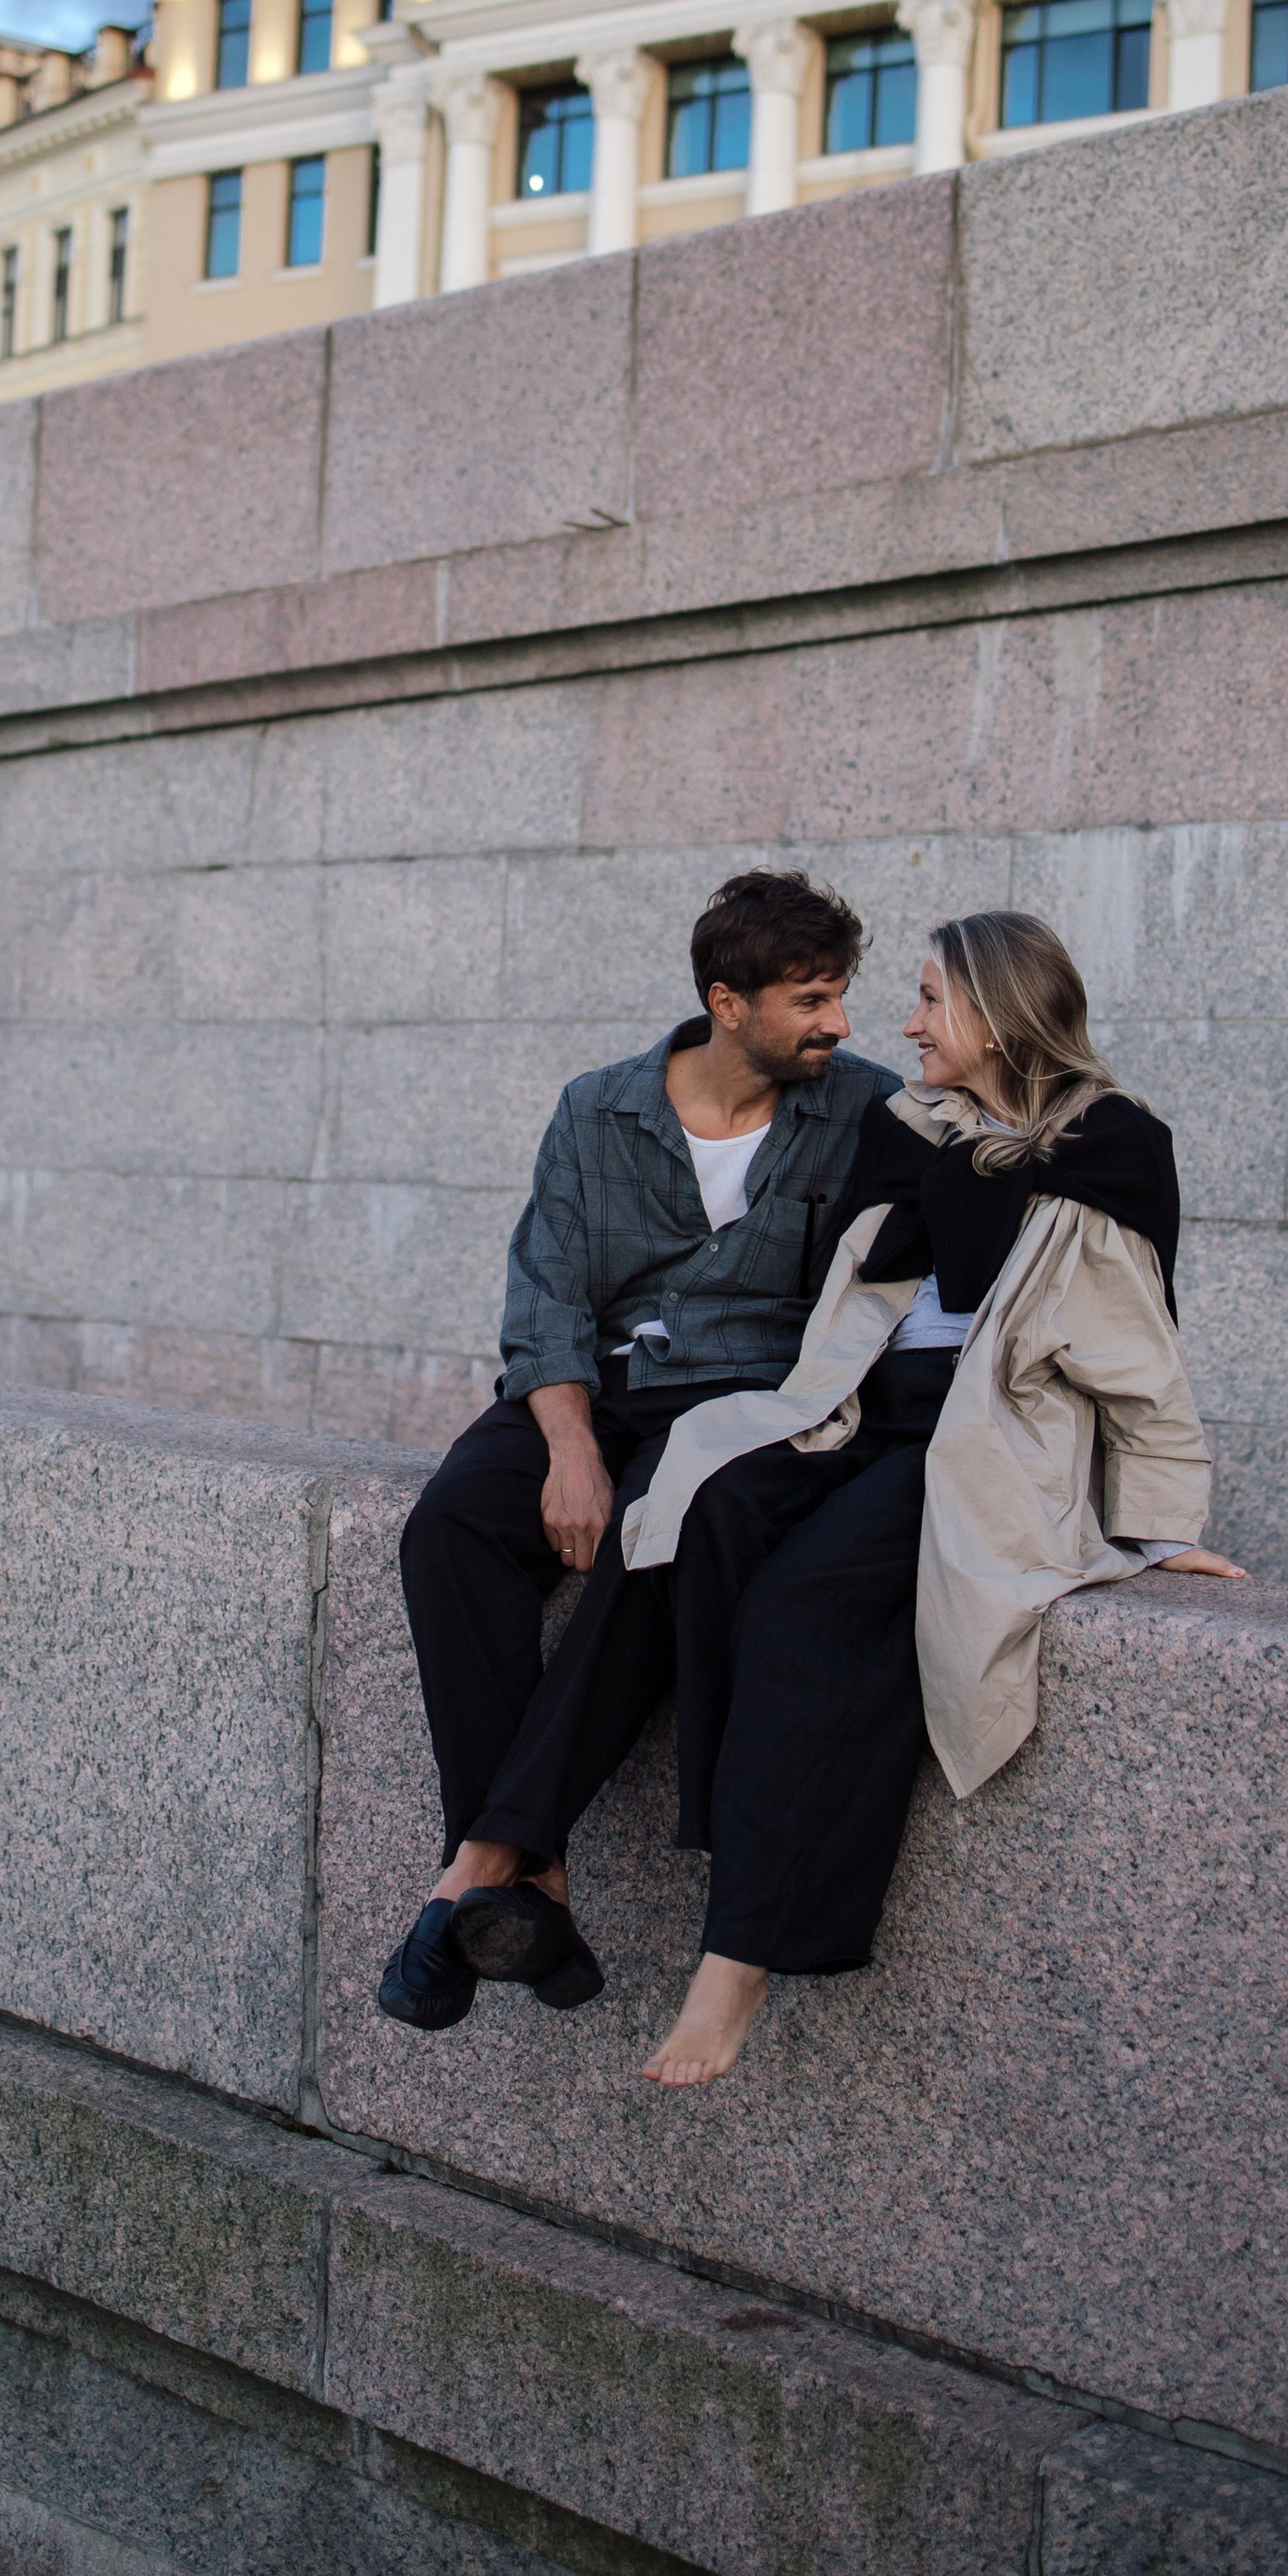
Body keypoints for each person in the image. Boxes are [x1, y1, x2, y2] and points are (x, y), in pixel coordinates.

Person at [622, 910, 1246, 2090]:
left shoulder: (1112, 1146)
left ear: (997, 1014)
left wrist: (1162, 1526)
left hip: (984, 1438)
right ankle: (731, 1821)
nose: (902, 1024)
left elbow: (1141, 1352)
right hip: (864, 1406)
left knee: (805, 1609)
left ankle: (738, 1959)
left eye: (927, 1000)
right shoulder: (913, 1127)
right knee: (705, 1506)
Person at [377, 869, 899, 2032]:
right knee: (453, 1526)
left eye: (841, 995)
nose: (839, 1024)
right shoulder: (597, 1109)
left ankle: (477, 1870)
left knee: (654, 1542)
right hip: (598, 1387)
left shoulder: (867, 1110)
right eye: (812, 999)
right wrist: (566, 1448)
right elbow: (546, 1297)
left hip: (747, 1408)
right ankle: (538, 1874)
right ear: (728, 1000)